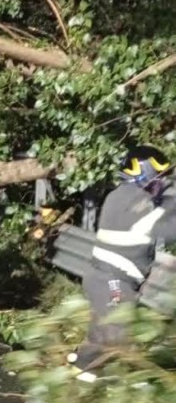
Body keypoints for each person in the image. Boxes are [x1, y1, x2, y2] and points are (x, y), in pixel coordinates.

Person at [72, 145, 176, 382]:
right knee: (120, 335)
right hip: (113, 282)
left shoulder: (119, 195)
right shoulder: (139, 201)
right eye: (161, 176)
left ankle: (80, 384)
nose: (165, 181)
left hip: (105, 279)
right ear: (146, 174)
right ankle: (129, 389)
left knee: (100, 337)